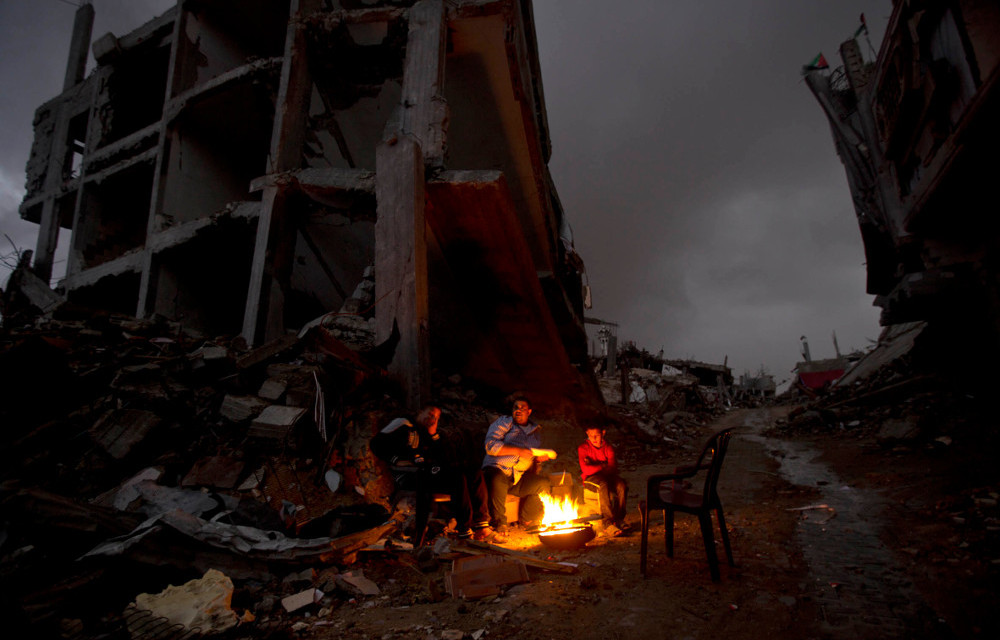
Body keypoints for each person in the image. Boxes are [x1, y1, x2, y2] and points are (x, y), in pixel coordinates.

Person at [371, 406, 490, 540]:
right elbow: (376, 443)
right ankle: (464, 529)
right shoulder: (403, 423)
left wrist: (433, 434)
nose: (432, 419)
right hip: (409, 475)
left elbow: (441, 454)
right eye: (430, 414)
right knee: (457, 477)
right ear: (420, 411)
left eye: (436, 418)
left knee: (474, 471)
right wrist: (396, 460)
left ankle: (481, 524)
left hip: (429, 473)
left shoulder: (426, 432)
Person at [481, 397, 557, 542]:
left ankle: (528, 519)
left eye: (522, 408)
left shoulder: (535, 432)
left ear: (529, 411)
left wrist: (537, 459)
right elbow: (490, 446)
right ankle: (500, 524)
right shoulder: (504, 423)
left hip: (517, 478)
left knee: (542, 483)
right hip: (496, 470)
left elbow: (530, 454)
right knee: (497, 478)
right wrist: (518, 451)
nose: (518, 410)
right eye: (516, 407)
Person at [578, 426, 630, 536]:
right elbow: (586, 470)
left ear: (603, 433)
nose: (594, 438)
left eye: (596, 435)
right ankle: (608, 523)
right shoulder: (583, 448)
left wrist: (593, 465)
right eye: (590, 435)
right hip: (589, 479)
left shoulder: (608, 448)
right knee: (603, 484)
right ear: (587, 433)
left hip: (607, 475)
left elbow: (612, 467)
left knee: (621, 485)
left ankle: (619, 519)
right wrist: (602, 465)